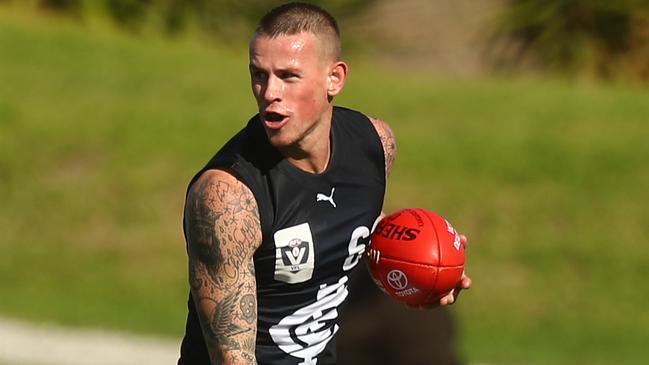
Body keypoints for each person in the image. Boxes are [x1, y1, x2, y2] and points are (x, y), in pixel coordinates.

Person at [178, 3, 471, 365]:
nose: (269, 92)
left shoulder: (374, 146)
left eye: (288, 76)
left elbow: (352, 225)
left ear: (335, 79)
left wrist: (423, 275)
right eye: (259, 74)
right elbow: (231, 359)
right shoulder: (227, 200)